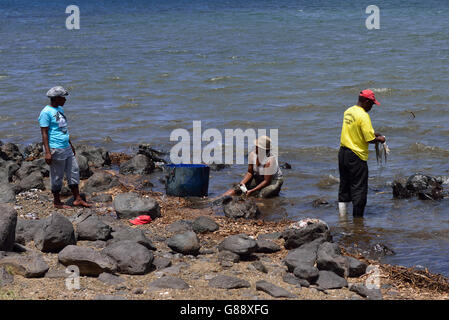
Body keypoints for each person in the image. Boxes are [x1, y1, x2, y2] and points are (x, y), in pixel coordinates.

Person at [38, 86, 91, 209]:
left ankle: (77, 198)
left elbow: (63, 129)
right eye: (63, 98)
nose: (65, 100)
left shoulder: (59, 109)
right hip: (55, 148)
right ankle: (57, 202)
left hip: (66, 146)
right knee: (57, 175)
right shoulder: (46, 112)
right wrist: (47, 152)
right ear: (56, 98)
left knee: (73, 170)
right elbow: (44, 133)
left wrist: (70, 144)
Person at [338, 89, 385, 217]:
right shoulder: (364, 115)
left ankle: (342, 219)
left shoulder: (348, 111)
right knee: (359, 189)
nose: (372, 107)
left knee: (344, 186)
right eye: (371, 104)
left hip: (343, 153)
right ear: (365, 101)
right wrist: (380, 139)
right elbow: (369, 139)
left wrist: (373, 133)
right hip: (356, 156)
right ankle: (358, 222)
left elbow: (355, 129)